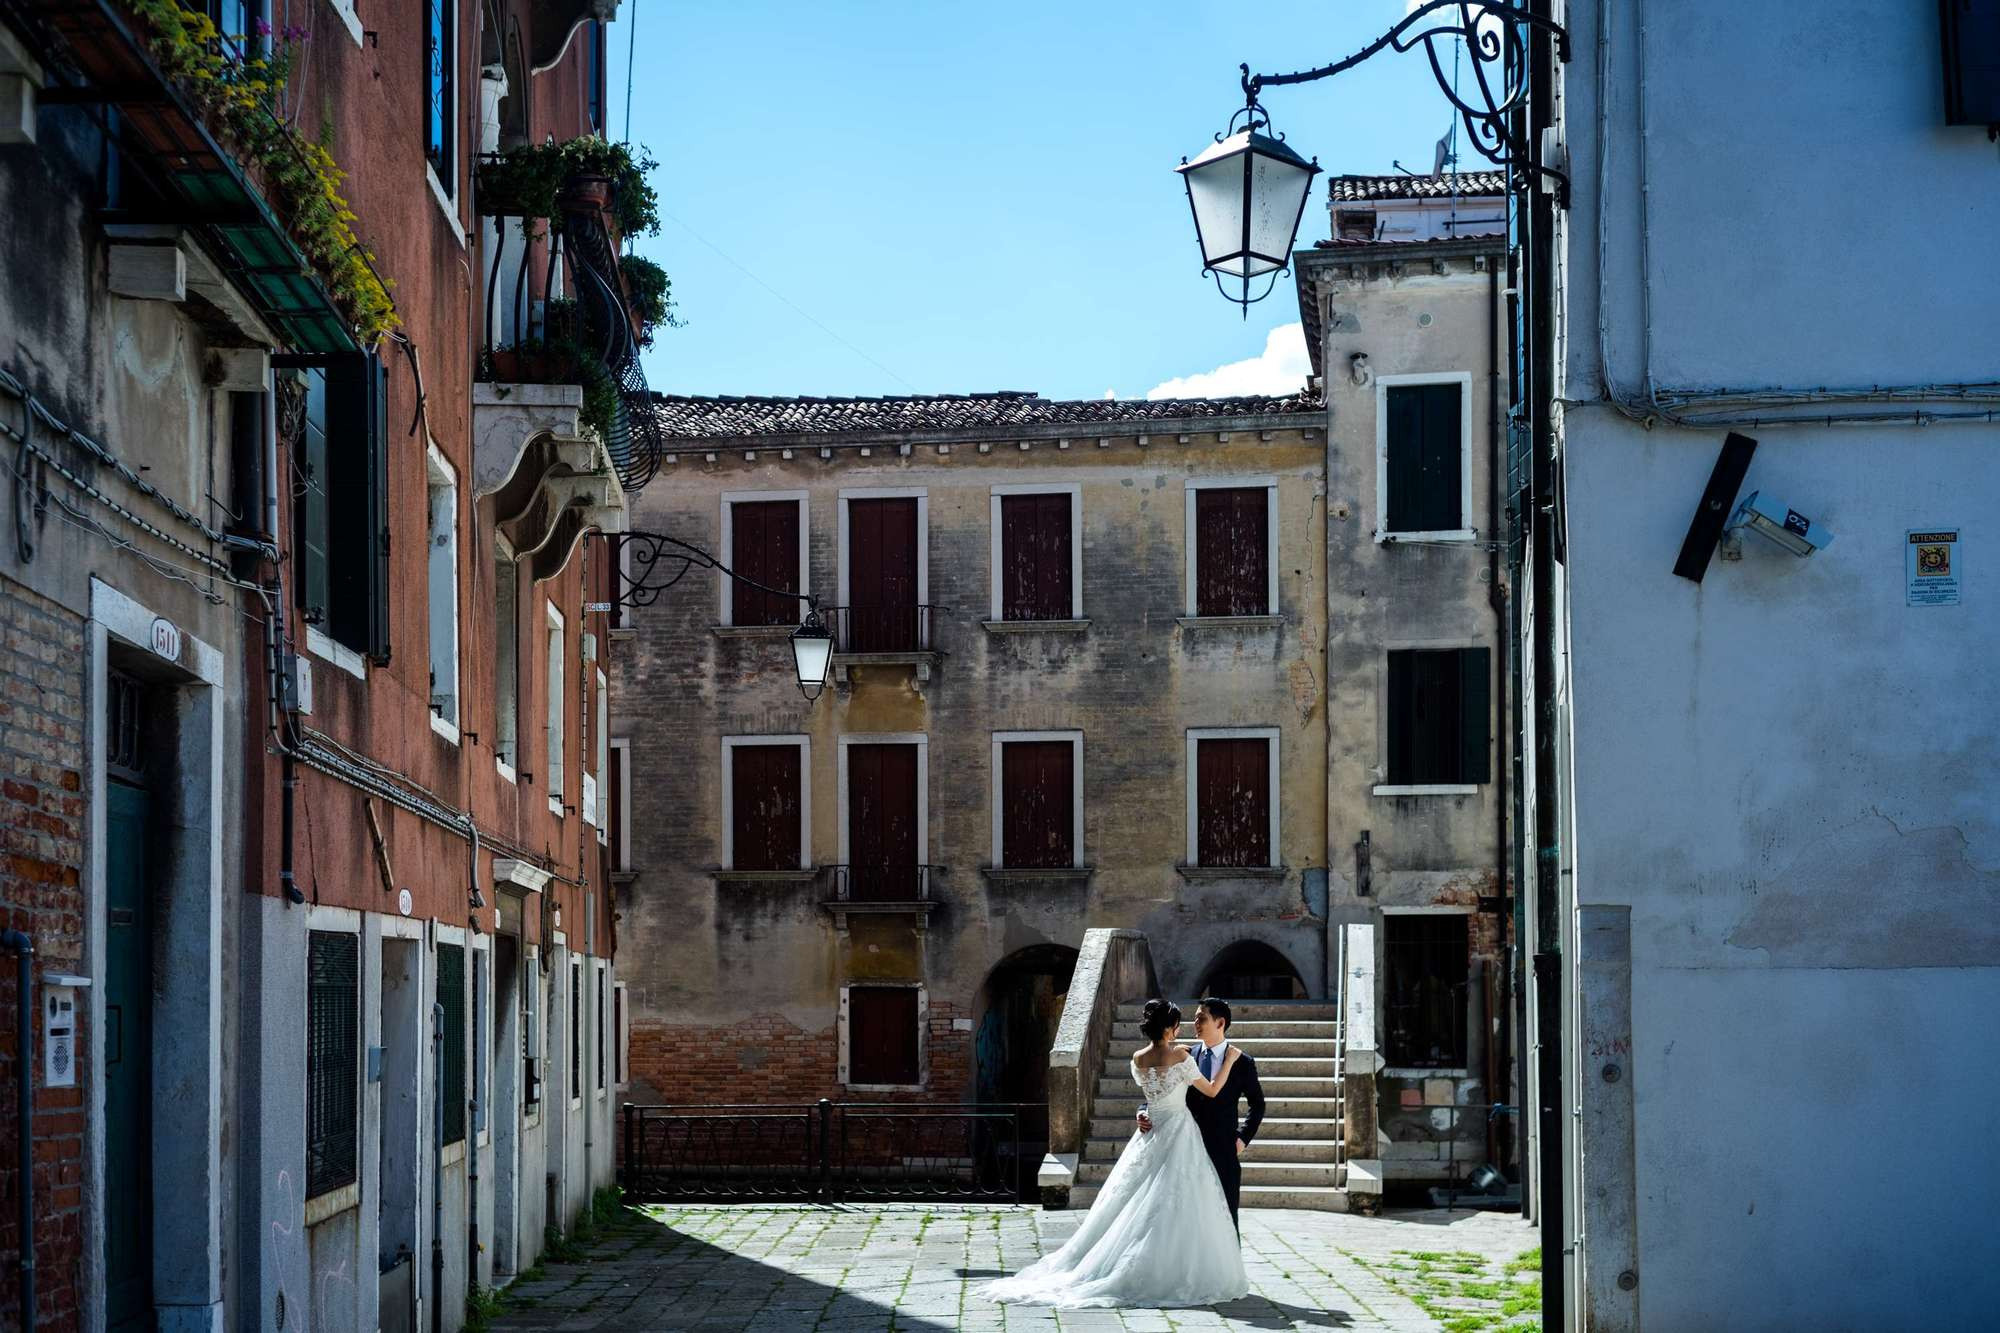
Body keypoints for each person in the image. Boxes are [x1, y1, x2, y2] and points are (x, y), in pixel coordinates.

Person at [980, 999, 1250, 1309]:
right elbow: (1213, 1090)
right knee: (1174, 1201)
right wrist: (1228, 1060)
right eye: (1177, 1025)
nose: (1182, 1028)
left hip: (1150, 1133)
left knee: (1136, 1199)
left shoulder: (1138, 1059)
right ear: (1167, 1027)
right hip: (1178, 1132)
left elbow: (1154, 1093)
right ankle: (1169, 1267)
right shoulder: (1181, 1057)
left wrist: (1147, 1106)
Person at [1136, 996, 1265, 1231]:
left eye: (1201, 1018)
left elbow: (1258, 1104)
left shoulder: (1242, 1061)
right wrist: (1143, 1111)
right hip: (1182, 1149)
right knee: (1185, 1220)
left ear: (1220, 1023)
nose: (1194, 1023)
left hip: (1222, 1149)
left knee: (1226, 1218)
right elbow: (1160, 1091)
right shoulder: (1183, 1054)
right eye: (1194, 1018)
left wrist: (1242, 1139)